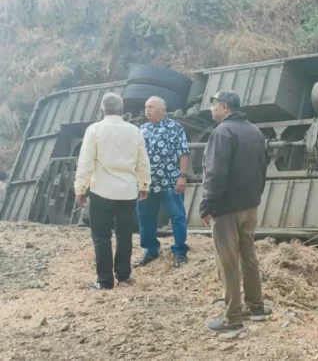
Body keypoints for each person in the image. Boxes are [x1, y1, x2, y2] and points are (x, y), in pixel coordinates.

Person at [200, 91, 269, 333]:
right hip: (250, 206)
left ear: (225, 107)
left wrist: (208, 203)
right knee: (248, 256)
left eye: (214, 105)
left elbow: (216, 172)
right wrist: (255, 197)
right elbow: (264, 167)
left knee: (228, 261)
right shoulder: (254, 130)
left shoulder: (222, 132)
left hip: (226, 207)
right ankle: (256, 307)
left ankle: (232, 318)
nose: (211, 110)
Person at [74, 93, 151, 290]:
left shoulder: (95, 130)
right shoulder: (134, 131)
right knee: (125, 235)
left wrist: (80, 188)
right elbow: (143, 160)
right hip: (127, 191)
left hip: (101, 190)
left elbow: (86, 162)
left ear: (102, 110)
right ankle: (124, 277)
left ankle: (105, 281)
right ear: (122, 109)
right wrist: (144, 184)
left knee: (101, 236)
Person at [135, 96, 191, 268]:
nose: (147, 110)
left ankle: (180, 251)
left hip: (169, 181)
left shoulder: (175, 128)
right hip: (147, 183)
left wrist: (182, 176)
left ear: (162, 109)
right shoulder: (142, 129)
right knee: (145, 216)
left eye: (151, 106)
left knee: (177, 216)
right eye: (146, 106)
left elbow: (183, 153)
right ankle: (150, 250)